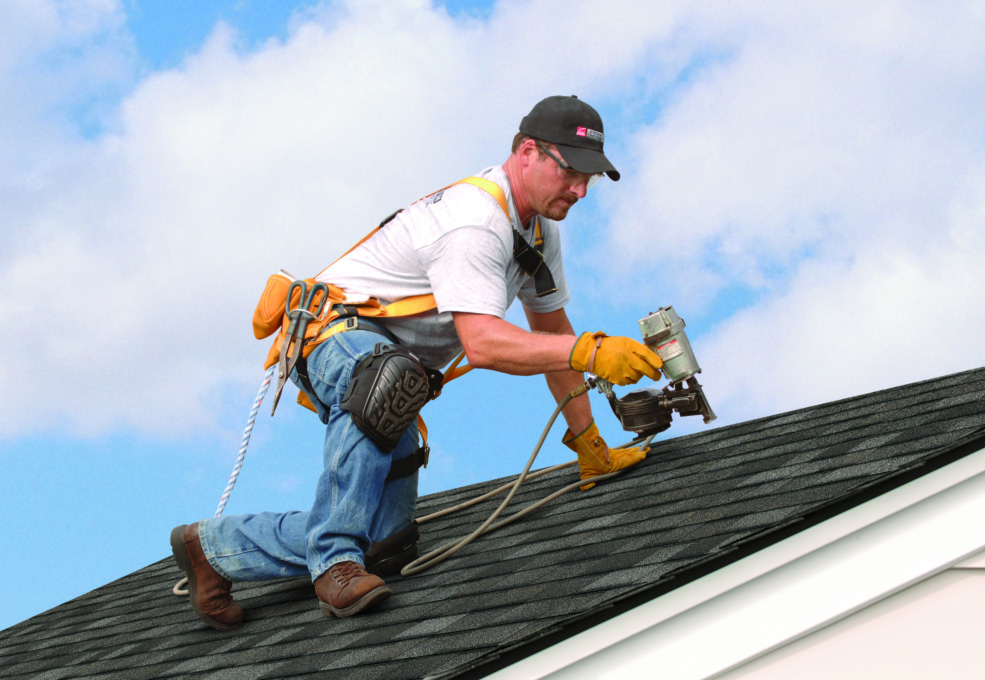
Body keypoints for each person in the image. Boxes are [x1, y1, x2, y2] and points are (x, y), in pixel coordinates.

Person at [170, 95, 664, 630]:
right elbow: (484, 344)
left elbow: (551, 333)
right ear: (527, 152)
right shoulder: (475, 223)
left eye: (589, 177)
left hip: (389, 365)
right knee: (389, 382)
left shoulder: (540, 235)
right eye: (570, 171)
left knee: (386, 544)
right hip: (333, 335)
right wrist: (592, 350)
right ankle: (333, 564)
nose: (580, 189)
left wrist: (589, 444)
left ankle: (214, 548)